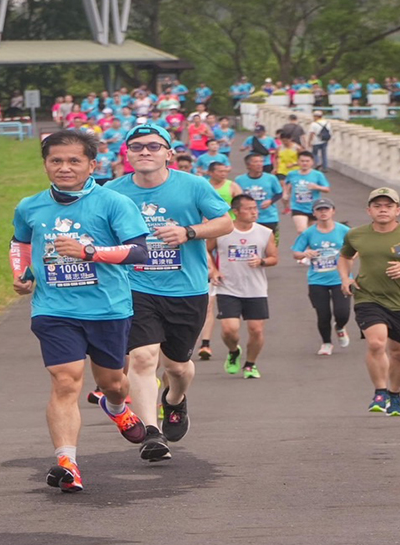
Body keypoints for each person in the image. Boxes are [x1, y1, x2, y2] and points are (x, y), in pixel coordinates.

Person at [10, 129, 150, 493]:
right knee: (66, 379)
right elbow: (21, 242)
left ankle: (117, 407)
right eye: (56, 160)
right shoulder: (30, 206)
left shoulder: (114, 203)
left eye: (74, 160)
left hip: (107, 308)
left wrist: (90, 252)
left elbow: (139, 252)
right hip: (54, 307)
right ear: (45, 164)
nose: (64, 168)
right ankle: (67, 462)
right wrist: (21, 274)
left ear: (92, 164)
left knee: (113, 382)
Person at [106, 124, 233, 462]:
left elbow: (225, 223)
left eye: (153, 146)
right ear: (127, 154)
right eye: (136, 146)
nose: (144, 152)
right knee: (144, 356)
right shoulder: (113, 192)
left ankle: (175, 400)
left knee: (178, 367)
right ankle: (152, 432)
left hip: (186, 288)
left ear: (168, 153)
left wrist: (189, 232)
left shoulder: (192, 185)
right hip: (134, 286)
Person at [338, 188, 400, 416]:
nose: (383, 210)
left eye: (388, 206)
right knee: (376, 343)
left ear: (398, 210)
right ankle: (380, 391)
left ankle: (395, 395)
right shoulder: (356, 235)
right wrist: (345, 278)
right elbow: (345, 257)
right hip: (368, 297)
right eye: (377, 206)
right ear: (369, 210)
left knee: (399, 353)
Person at [210, 194, 278, 379]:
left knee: (256, 330)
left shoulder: (265, 232)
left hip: (255, 288)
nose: (254, 212)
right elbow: (206, 250)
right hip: (228, 287)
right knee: (229, 330)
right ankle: (233, 351)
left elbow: (274, 258)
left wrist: (262, 260)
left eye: (255, 208)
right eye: (249, 209)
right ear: (236, 211)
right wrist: (213, 270)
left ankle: (250, 364)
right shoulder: (223, 231)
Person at [291, 198, 352, 355]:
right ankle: (326, 343)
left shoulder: (343, 230)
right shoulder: (308, 233)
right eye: (319, 209)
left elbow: (357, 248)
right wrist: (305, 253)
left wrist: (348, 258)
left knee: (342, 312)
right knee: (323, 314)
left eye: (326, 209)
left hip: (341, 278)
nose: (323, 212)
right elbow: (296, 253)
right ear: (314, 213)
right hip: (317, 280)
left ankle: (339, 326)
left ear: (333, 211)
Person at [197, 162, 241, 360]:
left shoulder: (219, 225)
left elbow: (240, 200)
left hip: (215, 266)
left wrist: (214, 269)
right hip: (194, 267)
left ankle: (205, 344)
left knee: (208, 306)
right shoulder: (192, 217)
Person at [234, 153, 284, 245]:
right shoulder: (239, 180)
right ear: (248, 165)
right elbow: (237, 197)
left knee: (272, 245)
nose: (259, 164)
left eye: (261, 162)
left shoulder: (271, 178)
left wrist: (270, 201)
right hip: (248, 218)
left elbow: (279, 193)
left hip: (269, 217)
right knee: (251, 245)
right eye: (256, 162)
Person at [284, 151, 331, 233]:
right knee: (302, 230)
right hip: (297, 207)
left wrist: (316, 187)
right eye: (302, 161)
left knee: (312, 233)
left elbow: (327, 189)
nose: (304, 163)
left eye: (307, 161)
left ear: (312, 162)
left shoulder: (318, 175)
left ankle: (306, 246)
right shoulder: (292, 174)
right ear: (298, 162)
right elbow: (287, 183)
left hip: (314, 208)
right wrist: (285, 193)